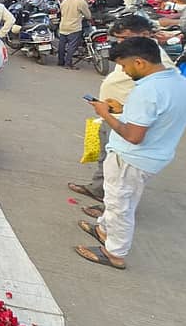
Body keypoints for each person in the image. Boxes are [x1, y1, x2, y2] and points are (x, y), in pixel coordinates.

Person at [75, 37, 186, 270]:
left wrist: (105, 113)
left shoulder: (149, 90)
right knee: (120, 198)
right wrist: (123, 109)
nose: (123, 71)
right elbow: (162, 115)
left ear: (139, 62)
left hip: (131, 158)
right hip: (155, 156)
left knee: (120, 204)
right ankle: (103, 229)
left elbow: (133, 135)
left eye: (124, 66)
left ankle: (114, 253)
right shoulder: (181, 84)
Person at [68, 15, 175, 215]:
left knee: (120, 188)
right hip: (117, 114)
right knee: (107, 160)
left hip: (130, 125)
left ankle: (109, 213)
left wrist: (117, 110)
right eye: (117, 39)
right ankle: (100, 191)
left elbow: (149, 111)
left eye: (124, 38)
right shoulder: (135, 53)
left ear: (144, 35)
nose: (120, 43)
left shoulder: (158, 68)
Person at [57, 0, 92, 69]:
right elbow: (88, 16)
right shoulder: (81, 2)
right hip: (74, 27)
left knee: (61, 45)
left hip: (63, 26)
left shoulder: (64, 2)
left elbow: (61, 12)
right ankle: (68, 64)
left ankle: (60, 61)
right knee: (71, 46)